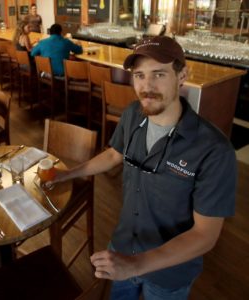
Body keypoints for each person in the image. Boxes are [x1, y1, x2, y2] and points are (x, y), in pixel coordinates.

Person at [47, 36, 236, 300]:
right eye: (139, 75)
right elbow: (114, 155)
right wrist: (69, 173)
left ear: (182, 75)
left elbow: (205, 235)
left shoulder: (214, 150)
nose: (146, 87)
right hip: (123, 246)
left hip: (169, 272)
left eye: (158, 74)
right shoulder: (133, 113)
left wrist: (136, 265)